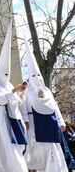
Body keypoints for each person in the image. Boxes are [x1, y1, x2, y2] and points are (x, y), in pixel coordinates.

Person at [0, 21, 28, 172]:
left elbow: (16, 101)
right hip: (2, 119)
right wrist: (13, 92)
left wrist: (21, 92)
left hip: (14, 119)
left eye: (7, 74)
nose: (6, 76)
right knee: (7, 147)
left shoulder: (9, 85)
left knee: (15, 146)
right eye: (3, 74)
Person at [22, 39, 68, 172]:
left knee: (51, 147)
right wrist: (25, 120)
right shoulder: (27, 91)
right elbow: (23, 106)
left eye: (38, 75)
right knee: (35, 147)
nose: (36, 78)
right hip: (33, 123)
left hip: (49, 122)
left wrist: (60, 122)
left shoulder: (47, 91)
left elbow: (55, 107)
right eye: (33, 75)